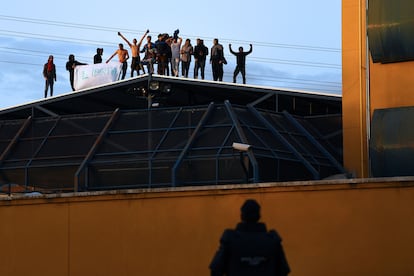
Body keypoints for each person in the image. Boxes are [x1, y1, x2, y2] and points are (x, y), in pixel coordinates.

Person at [209, 199, 290, 276]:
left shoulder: (231, 239)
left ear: (242, 216)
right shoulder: (272, 240)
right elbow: (283, 270)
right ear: (259, 216)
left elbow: (215, 270)